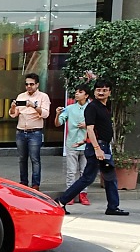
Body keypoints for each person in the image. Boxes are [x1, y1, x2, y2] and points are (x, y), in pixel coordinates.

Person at [55, 78, 129, 216]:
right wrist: (97, 148)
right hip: (98, 147)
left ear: (109, 92)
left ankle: (112, 206)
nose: (101, 92)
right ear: (94, 92)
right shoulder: (92, 107)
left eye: (104, 90)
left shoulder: (106, 106)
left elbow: (95, 130)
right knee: (88, 178)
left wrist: (84, 141)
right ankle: (61, 201)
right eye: (98, 90)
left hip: (101, 146)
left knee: (109, 177)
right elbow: (90, 129)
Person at [9, 72, 50, 190]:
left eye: (32, 84)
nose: (29, 86)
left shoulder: (43, 97)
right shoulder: (21, 96)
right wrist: (12, 107)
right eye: (27, 84)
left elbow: (46, 114)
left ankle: (35, 184)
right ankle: (23, 182)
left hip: (35, 132)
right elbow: (13, 114)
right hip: (21, 131)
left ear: (37, 85)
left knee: (35, 158)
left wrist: (33, 106)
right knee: (22, 158)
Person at [55, 84, 91, 205]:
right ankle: (69, 194)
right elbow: (58, 123)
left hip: (87, 144)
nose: (76, 94)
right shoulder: (69, 108)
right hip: (72, 143)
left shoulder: (92, 107)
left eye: (80, 92)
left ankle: (83, 194)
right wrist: (57, 114)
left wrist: (87, 125)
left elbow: (98, 123)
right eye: (76, 92)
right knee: (71, 171)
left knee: (84, 172)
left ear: (86, 95)